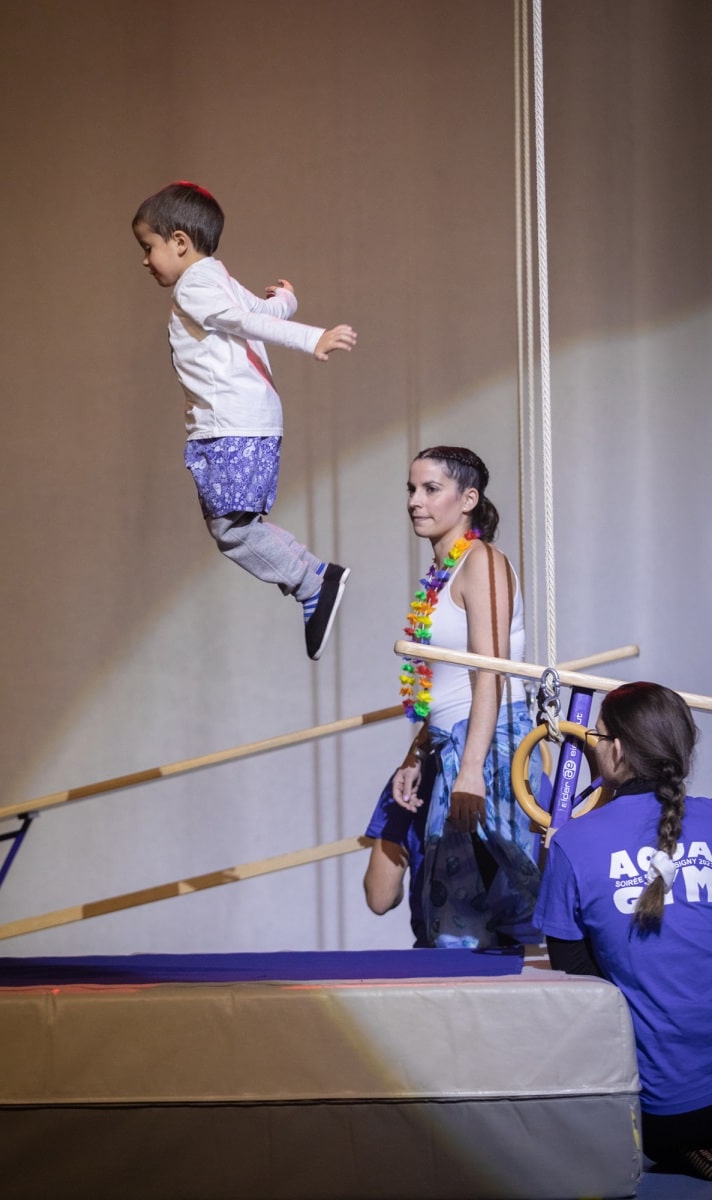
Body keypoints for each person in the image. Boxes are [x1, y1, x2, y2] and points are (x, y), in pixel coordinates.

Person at [132, 180, 357, 660]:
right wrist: (288, 301)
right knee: (240, 522)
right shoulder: (218, 279)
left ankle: (311, 583)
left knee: (232, 529)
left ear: (179, 242)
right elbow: (261, 309)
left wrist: (311, 338)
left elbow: (248, 321)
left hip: (231, 425)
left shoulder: (195, 287)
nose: (145, 261)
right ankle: (316, 576)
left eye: (148, 247)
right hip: (250, 422)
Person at [533, 681, 712, 1181]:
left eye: (597, 736)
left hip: (665, 1113)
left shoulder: (573, 843)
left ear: (616, 749)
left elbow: (581, 985)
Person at [364, 446, 541, 948]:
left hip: (489, 748)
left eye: (430, 489)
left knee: (507, 901)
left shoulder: (482, 560)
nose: (415, 501)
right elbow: (446, 688)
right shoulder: (441, 575)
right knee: (453, 913)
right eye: (411, 489)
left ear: (468, 499)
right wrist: (415, 757)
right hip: (449, 747)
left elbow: (491, 670)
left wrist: (471, 769)